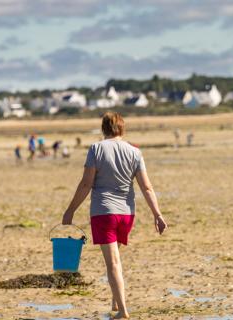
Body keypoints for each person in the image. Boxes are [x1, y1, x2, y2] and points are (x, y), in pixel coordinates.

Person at [61, 112, 167, 319]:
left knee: (113, 264)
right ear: (122, 128)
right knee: (115, 259)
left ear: (103, 128)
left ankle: (123, 311)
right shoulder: (134, 152)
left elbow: (86, 184)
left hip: (104, 213)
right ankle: (116, 303)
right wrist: (158, 214)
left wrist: (70, 210)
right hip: (127, 215)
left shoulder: (96, 149)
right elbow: (146, 187)